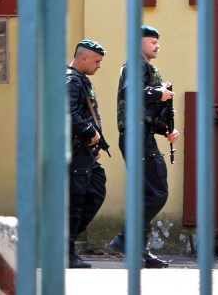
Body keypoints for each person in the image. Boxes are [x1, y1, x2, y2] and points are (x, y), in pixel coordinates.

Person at [107, 25, 179, 269]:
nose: (157, 45)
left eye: (158, 42)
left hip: (141, 135)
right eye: (152, 42)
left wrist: (166, 129)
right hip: (136, 137)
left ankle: (140, 251)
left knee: (146, 194)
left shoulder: (145, 67)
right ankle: (126, 239)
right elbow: (132, 93)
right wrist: (158, 93)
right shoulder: (135, 65)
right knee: (157, 192)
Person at [66, 40, 109, 269]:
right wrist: (89, 131)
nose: (99, 65)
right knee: (75, 201)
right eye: (97, 61)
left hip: (84, 152)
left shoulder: (80, 80)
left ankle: (60, 241)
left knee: (95, 190)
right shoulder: (71, 80)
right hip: (75, 153)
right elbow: (67, 112)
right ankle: (65, 250)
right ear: (83, 58)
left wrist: (95, 146)